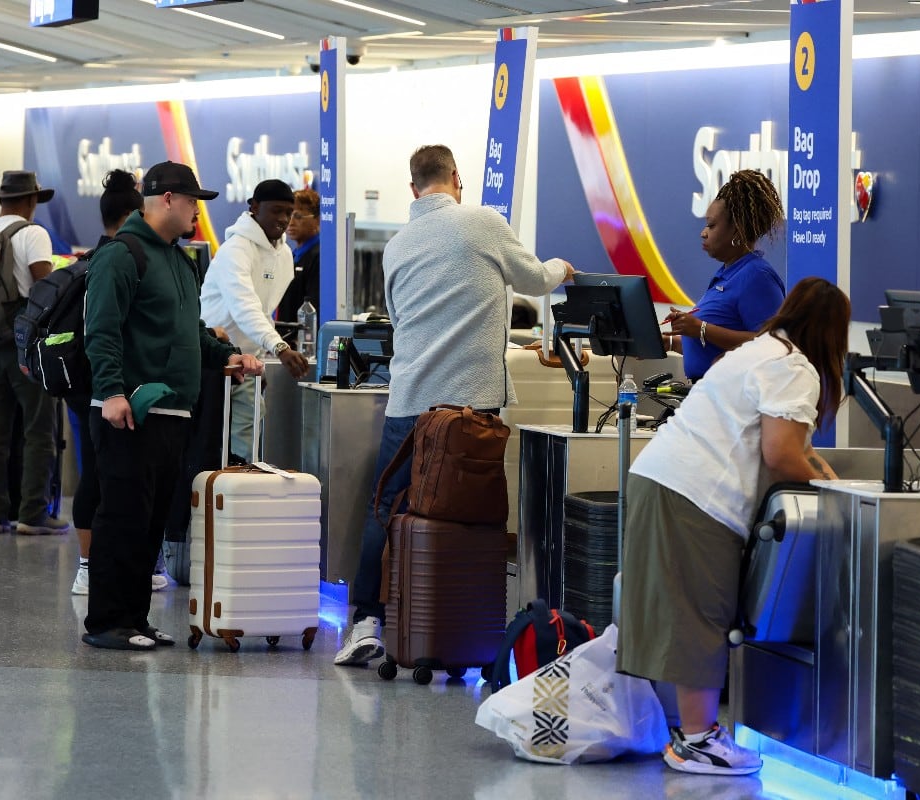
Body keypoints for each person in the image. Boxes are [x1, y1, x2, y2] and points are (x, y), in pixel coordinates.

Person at [334, 144, 574, 666]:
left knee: (387, 507)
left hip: (410, 401)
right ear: (457, 179)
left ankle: (367, 622)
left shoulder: (397, 245)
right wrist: (560, 268)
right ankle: (465, 622)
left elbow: (400, 318)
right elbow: (533, 279)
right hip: (471, 408)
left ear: (413, 188)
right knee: (472, 515)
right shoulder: (483, 222)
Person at [617, 276, 848, 777]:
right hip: (696, 493)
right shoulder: (795, 367)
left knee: (685, 610)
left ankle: (690, 733)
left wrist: (829, 477)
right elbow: (782, 454)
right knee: (703, 612)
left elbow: (792, 446)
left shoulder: (762, 350)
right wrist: (831, 490)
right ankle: (697, 742)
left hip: (665, 477)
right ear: (834, 335)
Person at [81, 160, 262, 651]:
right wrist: (114, 392)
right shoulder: (122, 255)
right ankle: (107, 622)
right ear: (165, 199)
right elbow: (100, 331)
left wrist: (229, 358)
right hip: (131, 412)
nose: (197, 214)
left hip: (174, 414)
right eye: (192, 202)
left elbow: (189, 332)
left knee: (152, 523)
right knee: (122, 519)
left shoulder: (181, 261)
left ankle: (135, 618)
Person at [0, 170, 70, 536]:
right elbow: (44, 287)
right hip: (25, 345)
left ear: (1, 200)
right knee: (38, 428)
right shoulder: (33, 233)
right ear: (30, 201)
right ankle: (32, 513)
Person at [68, 169, 144, 597]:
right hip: (106, 386)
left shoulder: (93, 259)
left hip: (83, 385)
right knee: (102, 475)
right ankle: (90, 568)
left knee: (92, 471)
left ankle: (89, 567)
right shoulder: (120, 260)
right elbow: (105, 332)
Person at [200, 179, 310, 459]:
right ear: (254, 207)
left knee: (245, 446)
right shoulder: (236, 250)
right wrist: (280, 347)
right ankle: (213, 501)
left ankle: (239, 500)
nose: (283, 219)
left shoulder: (284, 254)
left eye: (289, 212)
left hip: (248, 364)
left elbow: (262, 311)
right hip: (214, 363)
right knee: (210, 445)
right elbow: (244, 307)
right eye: (276, 211)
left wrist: (263, 351)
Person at [662, 169, 786, 380]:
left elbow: (772, 345)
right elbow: (715, 347)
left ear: (736, 231)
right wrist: (671, 342)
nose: (703, 232)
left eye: (711, 225)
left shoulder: (757, 277)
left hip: (735, 404)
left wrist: (701, 328)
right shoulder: (727, 273)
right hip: (708, 396)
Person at [275, 188, 321, 347]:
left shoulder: (318, 255)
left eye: (298, 216)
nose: (291, 222)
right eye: (289, 214)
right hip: (284, 340)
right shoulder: (292, 254)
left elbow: (314, 308)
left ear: (317, 219)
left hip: (301, 345)